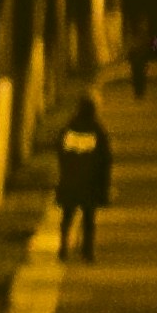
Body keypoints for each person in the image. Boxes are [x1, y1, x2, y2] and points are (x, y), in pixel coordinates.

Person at [51, 97, 114, 259]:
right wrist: (104, 184)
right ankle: (87, 251)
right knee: (88, 219)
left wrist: (66, 171)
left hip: (70, 181)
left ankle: (63, 247)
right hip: (89, 183)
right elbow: (105, 159)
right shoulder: (97, 131)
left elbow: (60, 152)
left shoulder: (68, 129)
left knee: (67, 217)